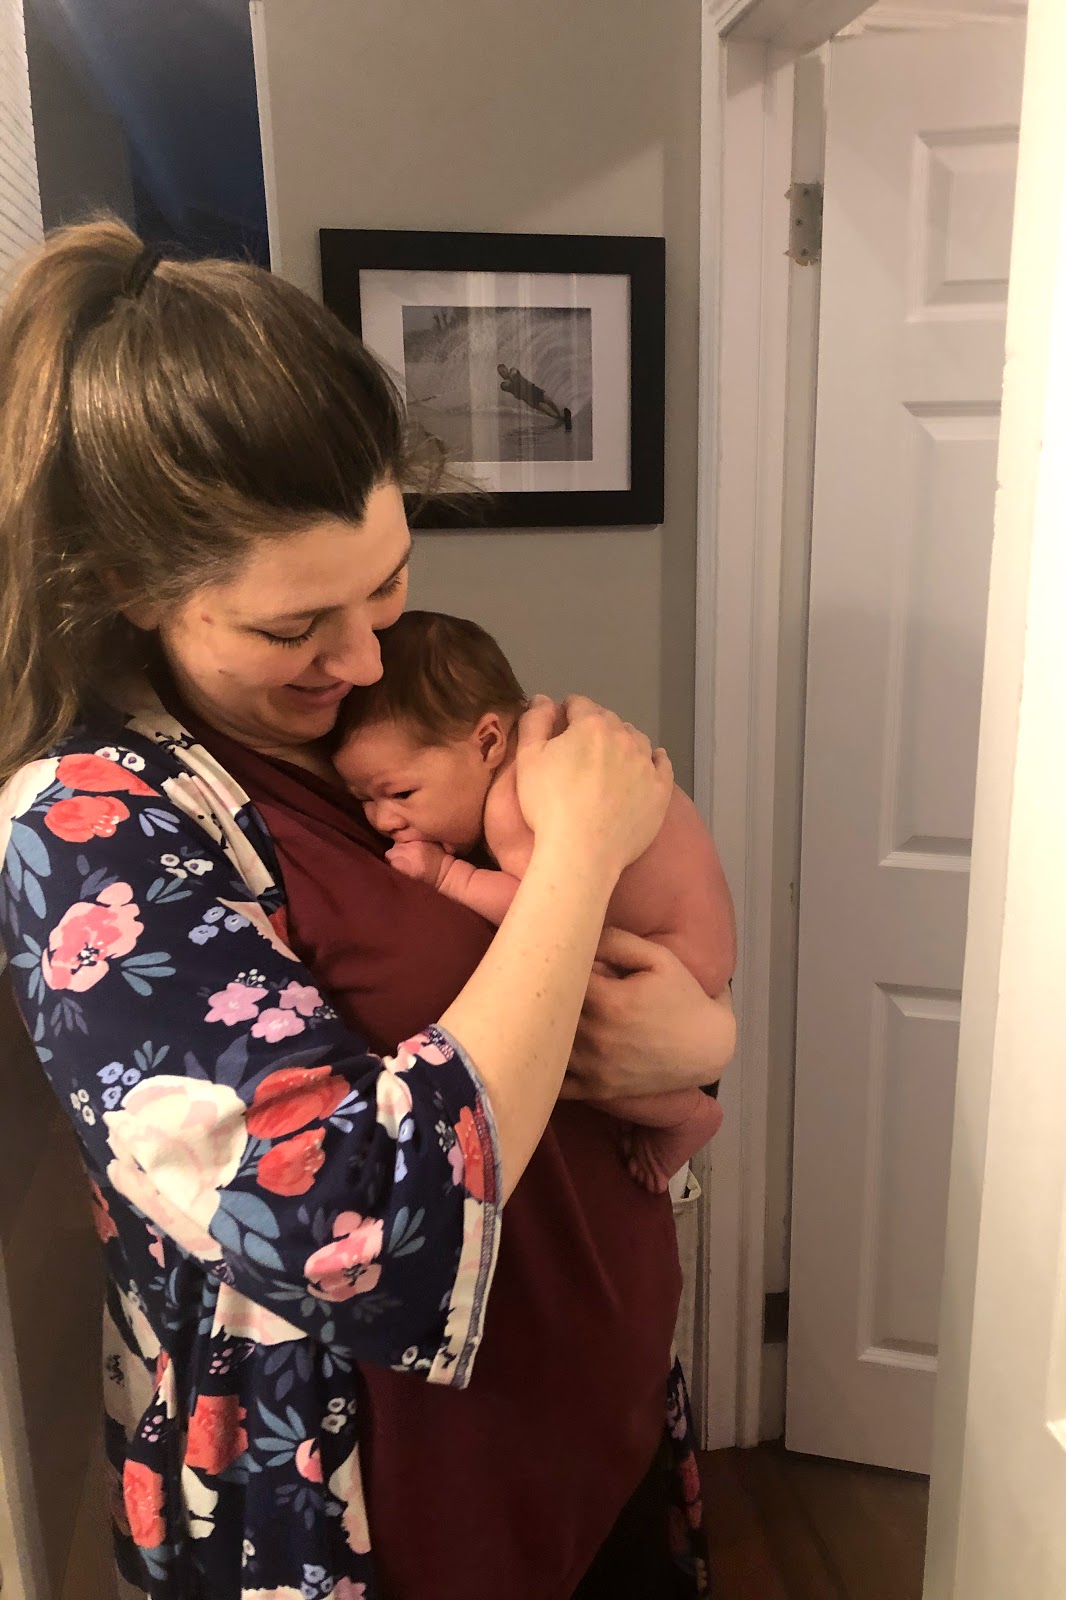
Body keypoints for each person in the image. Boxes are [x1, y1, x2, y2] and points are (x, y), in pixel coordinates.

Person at [0, 222, 735, 1600]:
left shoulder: (375, 720)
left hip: (598, 1431)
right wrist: (579, 854)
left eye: (387, 579)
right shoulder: (92, 831)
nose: (361, 654)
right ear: (127, 586)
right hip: (378, 1522)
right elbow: (362, 1230)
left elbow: (576, 998)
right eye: (291, 628)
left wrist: (695, 1047)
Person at [331, 610, 733, 1194]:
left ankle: (684, 1116)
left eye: (400, 793)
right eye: (362, 799)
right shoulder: (561, 741)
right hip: (699, 945)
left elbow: (542, 905)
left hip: (671, 964)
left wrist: (450, 876)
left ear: (487, 741)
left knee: (567, 1030)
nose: (383, 819)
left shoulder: (515, 801)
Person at [497, 360, 572, 430]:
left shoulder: (513, 370)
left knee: (549, 401)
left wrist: (511, 380)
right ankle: (561, 418)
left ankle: (561, 415)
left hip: (533, 390)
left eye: (503, 371)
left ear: (506, 369)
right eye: (500, 373)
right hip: (528, 399)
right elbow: (508, 388)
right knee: (546, 410)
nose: (502, 374)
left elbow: (514, 373)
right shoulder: (504, 384)